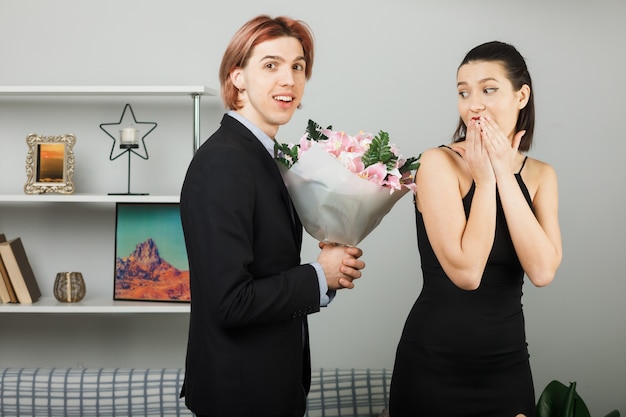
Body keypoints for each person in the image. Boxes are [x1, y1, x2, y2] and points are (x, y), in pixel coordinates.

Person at [178, 15, 366, 417]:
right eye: (270, 65)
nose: (290, 80)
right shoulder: (223, 162)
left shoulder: (263, 157)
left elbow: (266, 268)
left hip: (268, 388)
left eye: (297, 66)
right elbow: (229, 302)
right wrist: (319, 275)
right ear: (238, 77)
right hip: (240, 396)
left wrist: (330, 256)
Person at [389, 41, 562, 417]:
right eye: (463, 93)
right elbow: (467, 273)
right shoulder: (438, 164)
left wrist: (502, 172)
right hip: (432, 366)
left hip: (507, 367)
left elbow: (542, 270)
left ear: (522, 95)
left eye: (489, 89)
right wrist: (485, 183)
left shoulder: (541, 175)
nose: (474, 104)